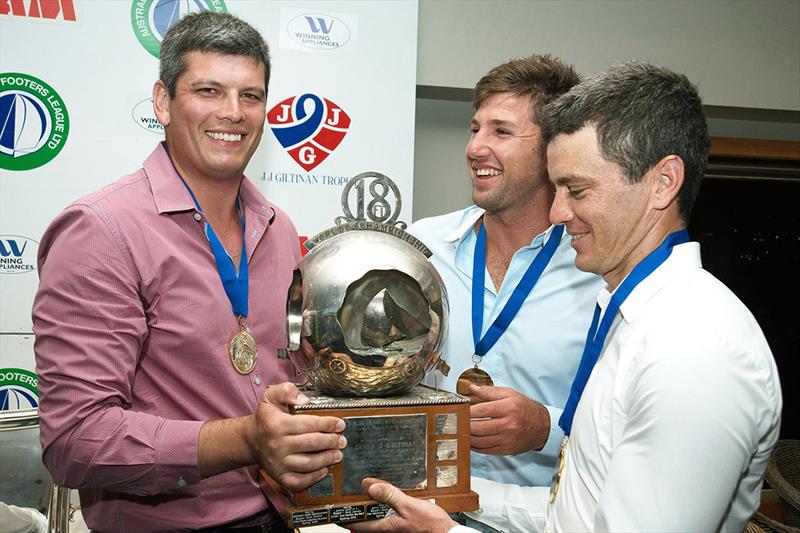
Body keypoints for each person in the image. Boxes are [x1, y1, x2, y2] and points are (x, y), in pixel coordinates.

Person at [350, 62, 782, 533]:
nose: (558, 212)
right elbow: (576, 512)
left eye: (576, 189)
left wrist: (443, 532)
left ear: (663, 183)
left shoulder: (695, 351)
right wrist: (440, 497)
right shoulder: (632, 314)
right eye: (557, 188)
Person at [33, 12, 346, 533]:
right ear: (162, 103)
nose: (233, 112)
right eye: (208, 90)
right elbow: (75, 440)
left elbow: (293, 379)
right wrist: (245, 439)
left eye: (251, 96)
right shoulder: (101, 231)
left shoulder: (279, 227)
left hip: (286, 516)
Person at [407, 55, 602, 530]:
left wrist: (546, 429)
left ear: (553, 151)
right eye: (475, 128)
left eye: (501, 131)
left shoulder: (597, 271)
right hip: (416, 514)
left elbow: (627, 428)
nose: (475, 147)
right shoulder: (421, 248)